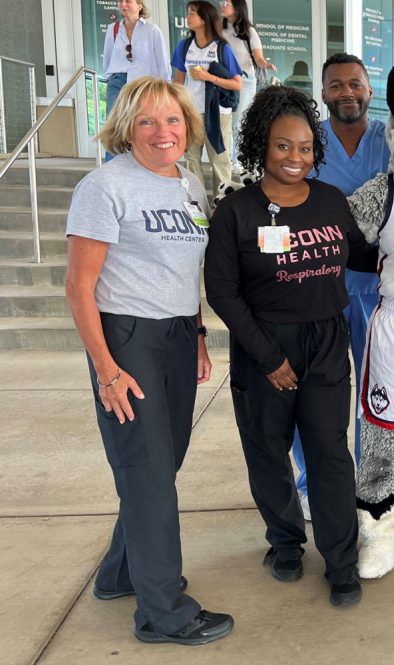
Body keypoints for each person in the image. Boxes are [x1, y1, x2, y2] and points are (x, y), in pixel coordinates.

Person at [64, 76, 233, 645]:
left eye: (173, 121)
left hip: (179, 338)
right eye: (148, 122)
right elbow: (78, 288)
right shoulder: (104, 186)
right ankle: (164, 612)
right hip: (127, 339)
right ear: (127, 128)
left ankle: (118, 574)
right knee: (149, 472)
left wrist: (199, 334)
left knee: (160, 465)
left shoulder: (189, 186)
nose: (164, 132)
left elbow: (186, 272)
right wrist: (107, 369)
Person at [204, 85, 377, 608]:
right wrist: (270, 357)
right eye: (283, 146)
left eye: (304, 147)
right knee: (268, 454)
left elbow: (364, 258)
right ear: (262, 145)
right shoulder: (237, 211)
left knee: (329, 453)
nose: (295, 158)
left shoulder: (329, 201)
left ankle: (342, 562)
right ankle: (284, 543)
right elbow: (222, 293)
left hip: (325, 342)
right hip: (265, 346)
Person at [289, 29, 394, 521]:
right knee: (317, 393)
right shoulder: (307, 143)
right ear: (323, 94)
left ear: (369, 88)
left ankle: (369, 485)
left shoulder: (390, 134)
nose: (347, 93)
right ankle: (312, 482)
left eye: (355, 83)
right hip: (320, 288)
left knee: (378, 395)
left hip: (383, 291)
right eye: (336, 85)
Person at [171, 1, 242, 194]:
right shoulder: (184, 46)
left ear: (204, 19)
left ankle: (222, 207)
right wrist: (175, 107)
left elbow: (237, 84)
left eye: (192, 13)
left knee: (220, 161)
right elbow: (178, 81)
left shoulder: (222, 49)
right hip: (192, 112)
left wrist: (208, 77)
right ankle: (197, 207)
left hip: (218, 114)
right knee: (191, 161)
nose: (188, 17)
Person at [100, 0, 170, 160]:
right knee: (114, 128)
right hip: (118, 83)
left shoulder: (152, 30)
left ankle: (143, 166)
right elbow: (108, 59)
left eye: (128, 1)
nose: (123, 4)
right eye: (120, 1)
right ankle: (112, 171)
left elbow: (163, 63)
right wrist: (110, 78)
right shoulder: (113, 29)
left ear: (140, 5)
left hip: (143, 85)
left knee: (143, 126)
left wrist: (164, 90)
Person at [220, 0, 276, 173]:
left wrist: (265, 64)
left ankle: (236, 160)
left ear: (237, 6)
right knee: (223, 122)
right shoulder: (218, 29)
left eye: (227, 2)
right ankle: (226, 160)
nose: (222, 5)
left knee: (237, 121)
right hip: (222, 80)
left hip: (244, 81)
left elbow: (258, 57)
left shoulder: (247, 31)